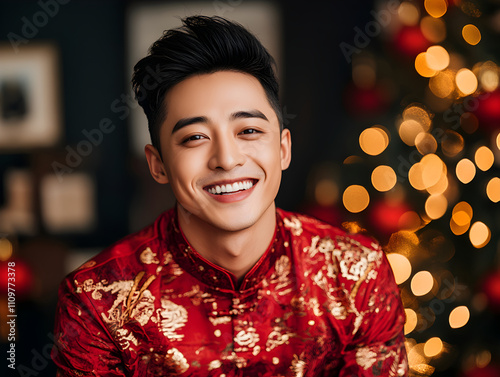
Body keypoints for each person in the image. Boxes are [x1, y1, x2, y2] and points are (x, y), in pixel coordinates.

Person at [52, 15, 408, 377]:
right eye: (194, 137)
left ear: (284, 148)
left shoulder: (357, 276)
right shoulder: (96, 299)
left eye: (249, 130)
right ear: (157, 164)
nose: (226, 159)